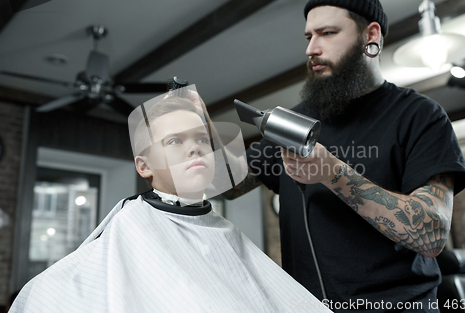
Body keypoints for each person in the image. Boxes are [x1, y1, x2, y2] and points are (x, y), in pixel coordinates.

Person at [224, 0, 465, 312]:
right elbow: (224, 182)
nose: (312, 48)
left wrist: (332, 172)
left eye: (327, 32)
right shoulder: (293, 122)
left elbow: (431, 234)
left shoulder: (419, 116)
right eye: (308, 37)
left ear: (371, 35)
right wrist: (188, 134)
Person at [10, 95, 331, 313]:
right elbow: (43, 297)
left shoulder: (221, 229)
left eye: (201, 139)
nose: (195, 149)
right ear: (143, 166)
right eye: (175, 141)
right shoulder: (132, 224)